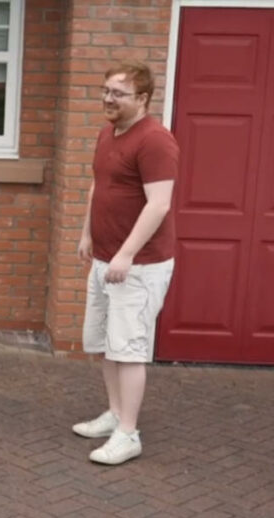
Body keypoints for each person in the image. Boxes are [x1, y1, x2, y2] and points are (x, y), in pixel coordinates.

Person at [73, 61, 179, 465]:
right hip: (105, 259)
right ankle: (114, 414)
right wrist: (87, 234)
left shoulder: (155, 141)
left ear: (143, 99)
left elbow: (159, 204)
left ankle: (128, 433)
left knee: (130, 348)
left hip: (138, 266)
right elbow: (99, 185)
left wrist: (127, 253)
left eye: (118, 94)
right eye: (105, 91)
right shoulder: (107, 133)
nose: (108, 99)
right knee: (106, 343)